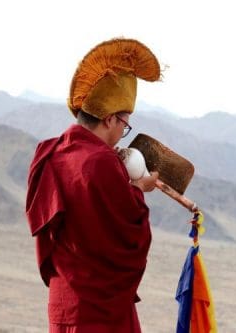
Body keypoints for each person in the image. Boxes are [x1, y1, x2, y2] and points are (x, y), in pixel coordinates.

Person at [25, 38, 160, 333]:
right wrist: (138, 189)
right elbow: (128, 235)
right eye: (124, 125)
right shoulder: (100, 162)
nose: (123, 133)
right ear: (110, 119)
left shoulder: (50, 152)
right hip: (100, 312)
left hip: (63, 304)